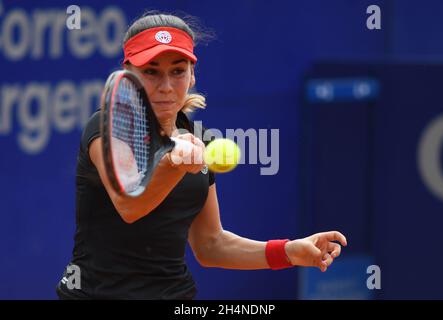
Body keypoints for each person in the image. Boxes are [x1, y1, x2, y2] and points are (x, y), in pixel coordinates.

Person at [56, 11, 347, 300]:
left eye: (178, 71)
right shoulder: (106, 129)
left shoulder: (198, 138)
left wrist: (288, 252)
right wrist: (173, 163)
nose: (166, 86)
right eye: (151, 71)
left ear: (192, 74)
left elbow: (210, 245)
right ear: (128, 74)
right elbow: (129, 206)